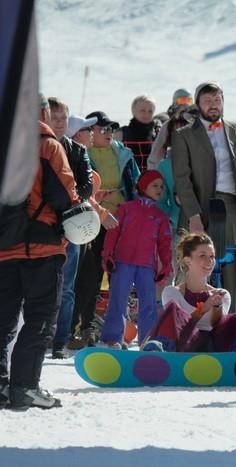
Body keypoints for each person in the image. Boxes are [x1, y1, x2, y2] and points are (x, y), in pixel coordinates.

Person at [0, 94, 80, 410]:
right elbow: (64, 194)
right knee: (39, 318)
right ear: (43, 112)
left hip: (4, 249)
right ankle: (24, 386)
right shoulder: (47, 144)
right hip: (42, 246)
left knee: (2, 321)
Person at [172, 81, 236, 312]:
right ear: (198, 105)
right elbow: (182, 180)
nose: (213, 105)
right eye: (207, 101)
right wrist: (194, 215)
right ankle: (185, 321)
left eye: (217, 100)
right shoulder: (183, 135)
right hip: (201, 206)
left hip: (233, 207)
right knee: (195, 265)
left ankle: (235, 323)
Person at [70, 111, 140, 349]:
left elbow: (137, 186)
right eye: (103, 129)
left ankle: (118, 330)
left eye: (111, 129)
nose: (108, 133)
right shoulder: (81, 153)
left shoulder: (123, 153)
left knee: (121, 278)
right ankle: (83, 327)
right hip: (93, 223)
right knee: (90, 277)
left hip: (122, 222)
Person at [149, 232, 236, 352]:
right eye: (202, 256)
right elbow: (182, 325)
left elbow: (218, 326)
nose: (210, 261)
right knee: (172, 310)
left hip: (214, 346)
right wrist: (204, 308)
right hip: (183, 345)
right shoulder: (172, 293)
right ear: (187, 261)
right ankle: (159, 350)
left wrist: (216, 306)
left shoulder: (221, 294)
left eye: (212, 256)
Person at [99, 171, 172, 347]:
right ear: (143, 186)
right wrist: (107, 254)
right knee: (118, 299)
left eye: (161, 187)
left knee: (148, 303)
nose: (159, 189)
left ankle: (148, 340)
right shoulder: (126, 208)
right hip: (123, 261)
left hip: (146, 265)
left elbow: (164, 243)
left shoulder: (160, 216)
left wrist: (166, 266)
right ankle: (113, 338)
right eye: (154, 185)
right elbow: (113, 232)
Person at [118, 95, 157, 171]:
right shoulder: (121, 133)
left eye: (150, 111)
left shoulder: (156, 134)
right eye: (142, 110)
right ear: (133, 111)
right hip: (128, 179)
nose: (146, 114)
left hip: (151, 179)